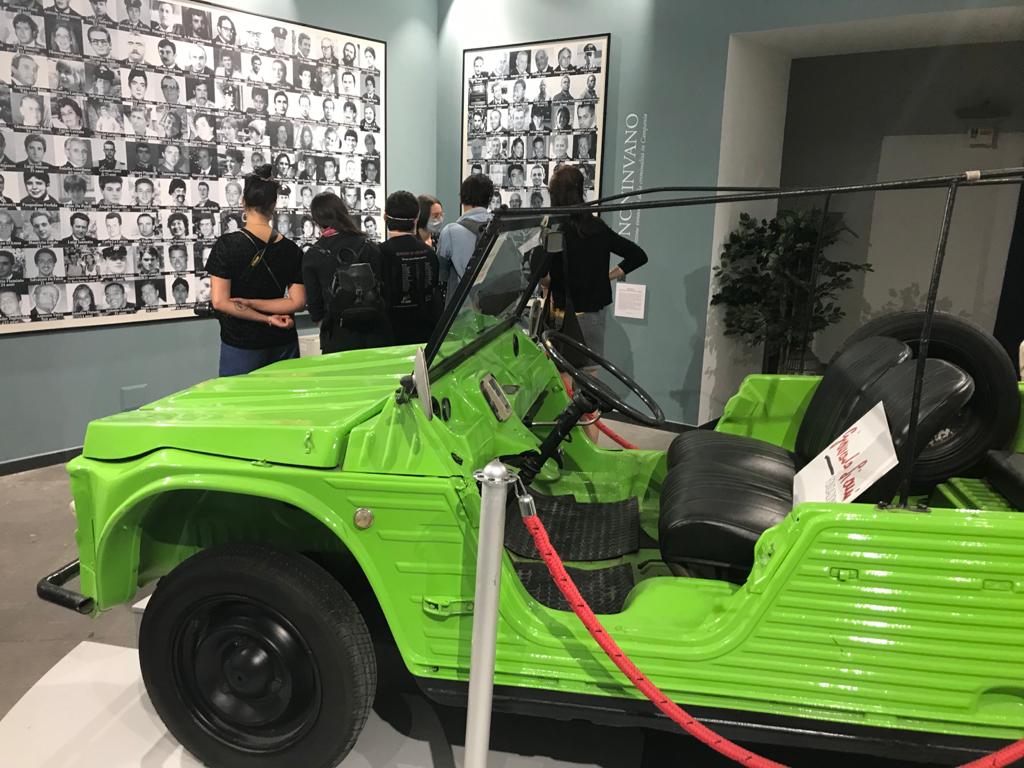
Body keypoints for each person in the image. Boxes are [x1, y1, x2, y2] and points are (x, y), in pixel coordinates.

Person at [544, 164, 647, 370]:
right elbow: (637, 255)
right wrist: (606, 277)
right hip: (592, 318)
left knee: (560, 376)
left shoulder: (557, 230)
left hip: (563, 317)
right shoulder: (597, 227)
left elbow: (549, 276)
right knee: (589, 376)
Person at [206, 165, 306, 375]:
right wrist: (265, 311)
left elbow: (220, 301)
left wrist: (263, 316)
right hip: (283, 341)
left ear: (243, 201)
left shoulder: (227, 245)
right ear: (274, 204)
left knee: (241, 396)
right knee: (284, 395)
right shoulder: (291, 249)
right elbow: (297, 302)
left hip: (242, 343)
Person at [302, 192, 390, 353]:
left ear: (316, 220)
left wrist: (325, 323)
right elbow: (384, 288)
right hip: (375, 332)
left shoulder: (312, 255)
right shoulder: (368, 245)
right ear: (343, 212)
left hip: (337, 335)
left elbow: (314, 305)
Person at [378, 191, 440, 345]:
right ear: (417, 219)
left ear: (385, 217)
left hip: (390, 337)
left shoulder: (378, 253)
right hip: (426, 337)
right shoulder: (430, 253)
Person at [437, 174, 493, 303]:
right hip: (495, 306)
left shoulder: (451, 232)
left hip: (463, 309)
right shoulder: (500, 228)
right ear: (489, 199)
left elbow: (441, 275)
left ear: (462, 198)